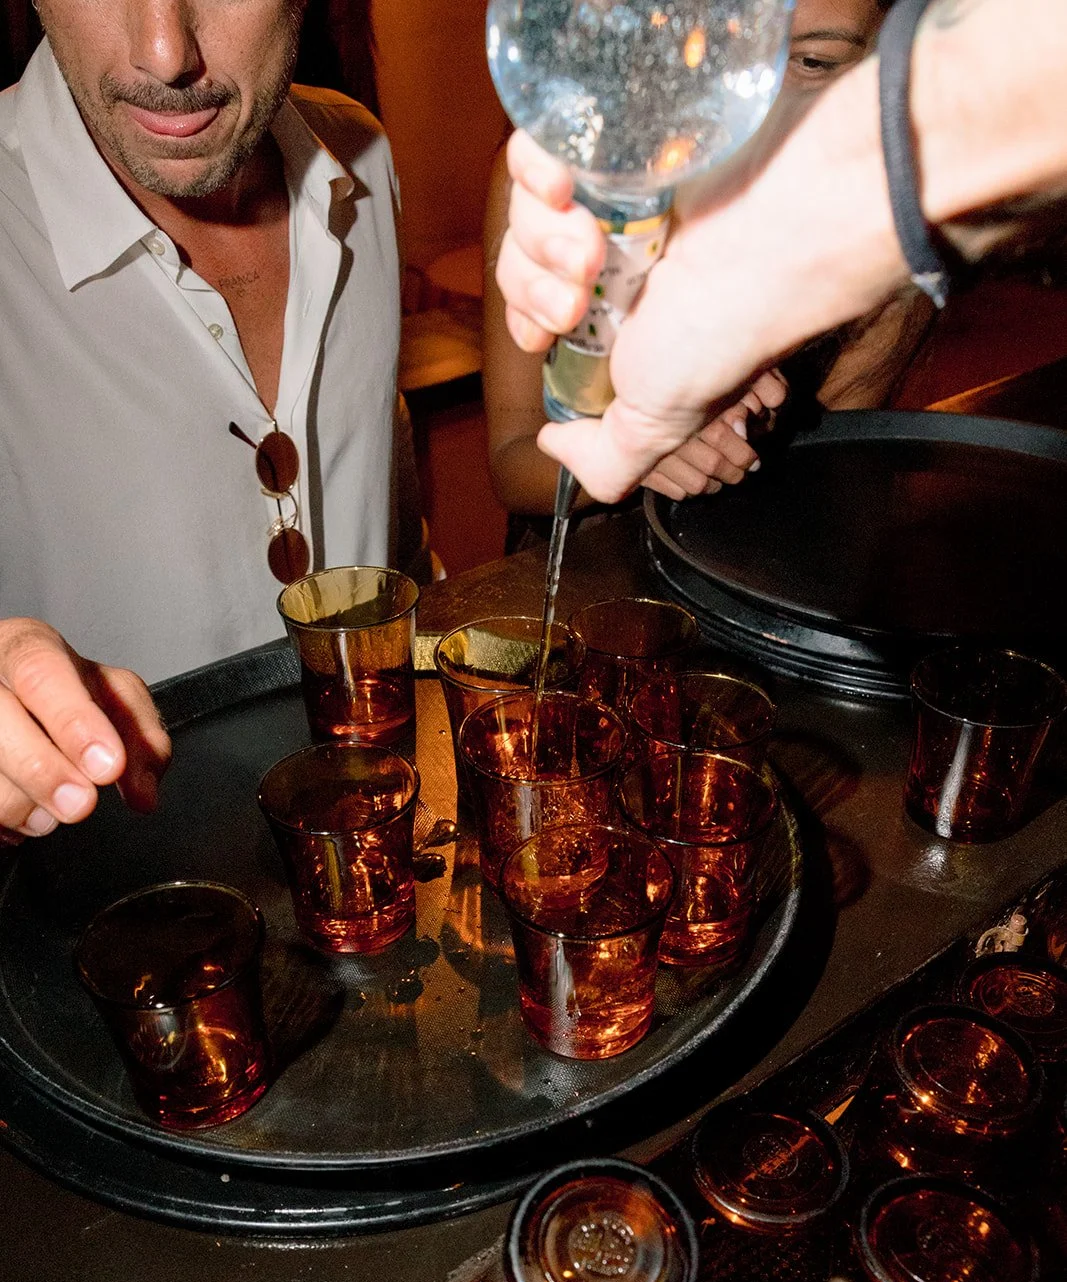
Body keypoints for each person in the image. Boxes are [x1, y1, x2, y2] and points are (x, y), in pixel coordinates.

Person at [0, 0, 418, 841]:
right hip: (104, 889)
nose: (164, 53)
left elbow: (387, 518)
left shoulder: (359, 157)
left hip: (379, 852)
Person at [494, 0, 1067, 505]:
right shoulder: (585, 174)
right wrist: (630, 448)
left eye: (812, 62)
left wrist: (757, 425)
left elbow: (830, 490)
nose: (758, 97)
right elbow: (513, 460)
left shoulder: (895, 261)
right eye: (724, 44)